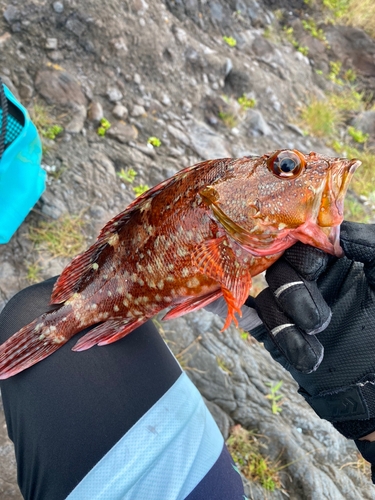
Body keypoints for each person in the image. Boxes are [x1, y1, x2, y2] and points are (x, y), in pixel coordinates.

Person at [1, 80, 374, 498]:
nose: (310, 173)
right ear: (225, 198)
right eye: (287, 167)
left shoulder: (240, 222)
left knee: (28, 309)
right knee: (36, 310)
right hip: (114, 296)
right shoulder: (220, 202)